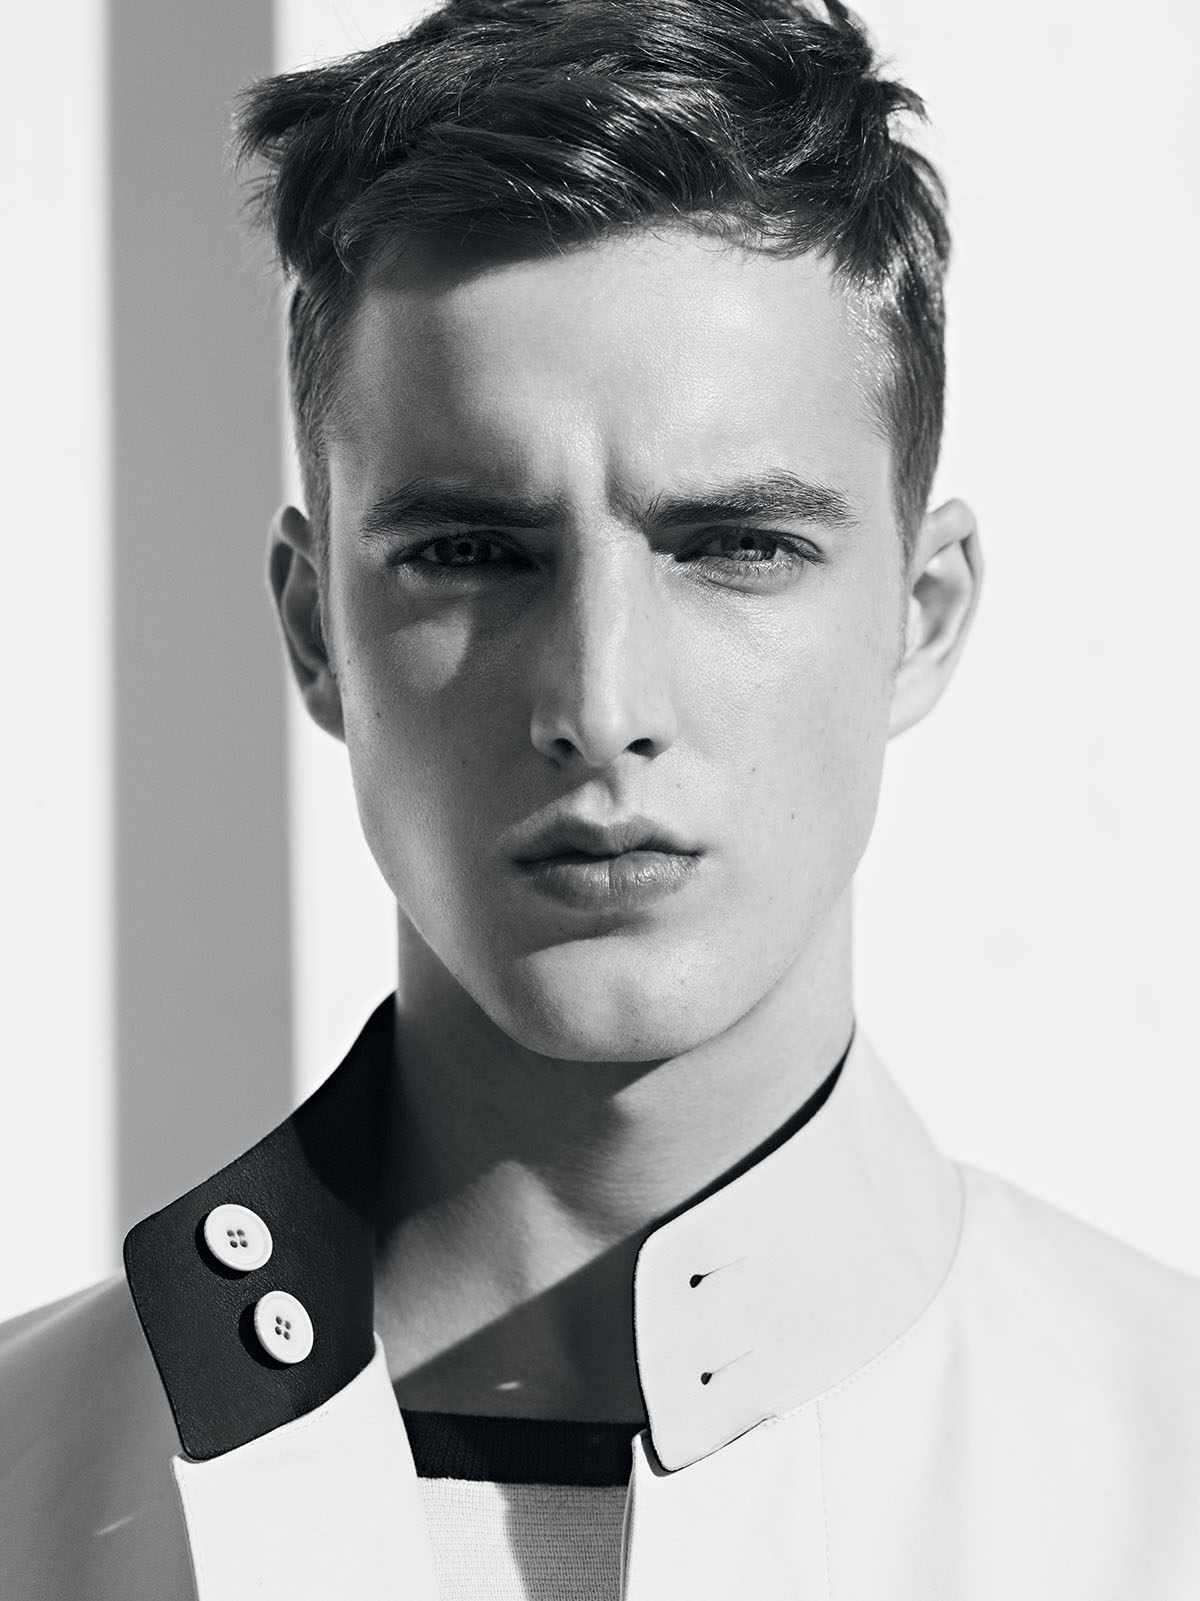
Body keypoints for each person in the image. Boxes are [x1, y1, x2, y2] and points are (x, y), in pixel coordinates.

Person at [2, 0, 1198, 1596]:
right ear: (314, 628)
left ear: (922, 615)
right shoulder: (24, 1482)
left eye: (736, 547)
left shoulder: (1167, 1488)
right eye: (470, 553)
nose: (601, 704)